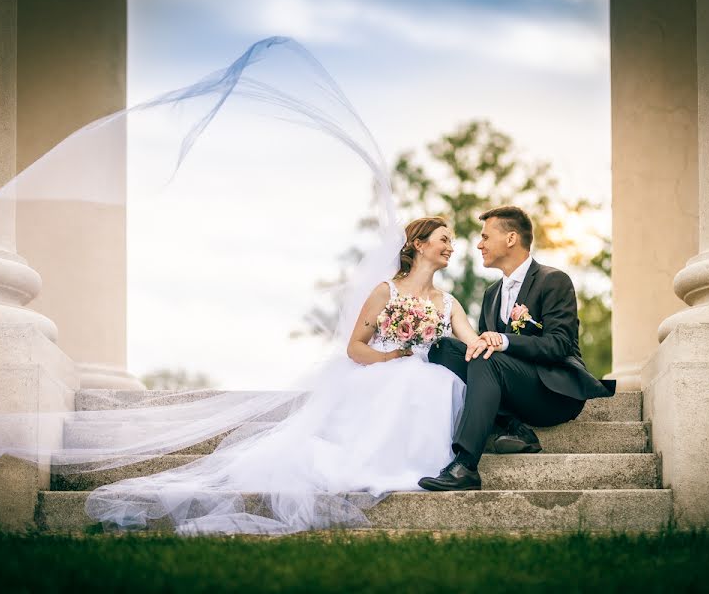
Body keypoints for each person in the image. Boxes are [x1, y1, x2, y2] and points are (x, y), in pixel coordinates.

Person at [85, 216, 488, 534]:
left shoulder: (446, 300)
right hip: (381, 370)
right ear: (419, 245)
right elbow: (355, 348)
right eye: (444, 240)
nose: (451, 247)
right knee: (410, 385)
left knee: (438, 383)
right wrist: (392, 357)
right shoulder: (386, 292)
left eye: (451, 242)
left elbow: (468, 338)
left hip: (420, 372)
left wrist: (491, 341)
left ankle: (420, 463)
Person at [418, 205, 616, 492]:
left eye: (486, 237)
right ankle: (515, 427)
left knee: (487, 355)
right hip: (510, 387)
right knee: (444, 348)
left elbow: (559, 345)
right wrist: (486, 343)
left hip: (552, 392)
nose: (479, 244)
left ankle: (465, 465)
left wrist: (504, 340)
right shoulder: (491, 295)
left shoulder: (553, 280)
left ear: (511, 239)